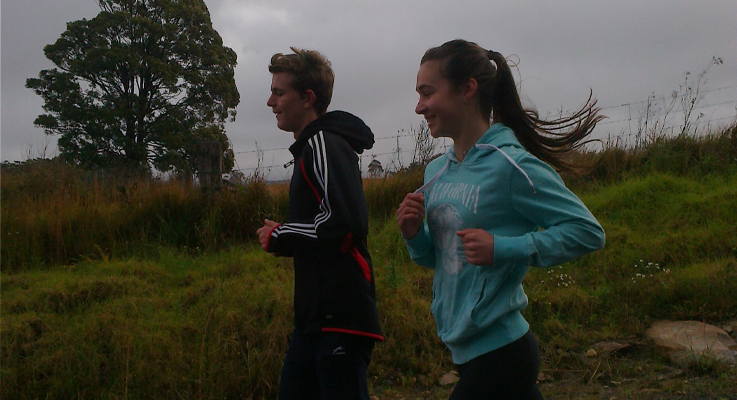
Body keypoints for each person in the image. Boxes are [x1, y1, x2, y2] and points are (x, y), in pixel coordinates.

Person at [396, 39, 606, 400]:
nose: (419, 107)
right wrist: (414, 235)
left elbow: (587, 232)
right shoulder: (436, 172)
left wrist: (503, 248)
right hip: (463, 348)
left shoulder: (512, 167)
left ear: (467, 89)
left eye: (427, 93)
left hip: (502, 351)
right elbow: (441, 259)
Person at [257, 47, 382, 400]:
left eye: (279, 92)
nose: (270, 102)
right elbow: (325, 220)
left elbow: (344, 223)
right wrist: (287, 232)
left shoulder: (323, 143)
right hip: (313, 323)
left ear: (308, 98)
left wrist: (280, 234)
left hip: (340, 320)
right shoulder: (311, 146)